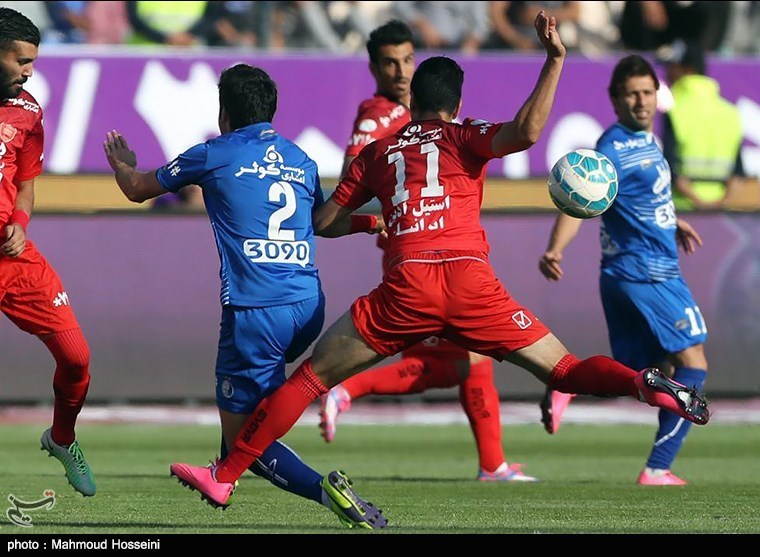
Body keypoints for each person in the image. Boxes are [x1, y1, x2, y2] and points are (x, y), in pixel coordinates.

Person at [170, 12, 710, 509]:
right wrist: (554, 59)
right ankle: (643, 384)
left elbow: (324, 222)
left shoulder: (379, 152)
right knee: (566, 370)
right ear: (455, 102)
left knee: (308, 381)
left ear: (414, 100)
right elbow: (526, 131)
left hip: (406, 286)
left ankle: (225, 475)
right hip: (471, 282)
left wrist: (370, 222)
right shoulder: (465, 136)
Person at [103, 63, 387, 529]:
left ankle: (321, 490)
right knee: (249, 410)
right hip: (307, 305)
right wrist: (370, 222)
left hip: (256, 310)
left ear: (224, 113)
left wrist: (122, 166)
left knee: (245, 439)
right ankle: (226, 465)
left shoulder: (215, 153)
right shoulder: (301, 159)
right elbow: (322, 224)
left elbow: (137, 190)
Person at [320, 18, 535, 482]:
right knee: (466, 360)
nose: (400, 71)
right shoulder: (376, 118)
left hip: (443, 251)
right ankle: (492, 464)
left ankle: (491, 462)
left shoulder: (422, 111)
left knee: (459, 363)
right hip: (416, 256)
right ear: (374, 68)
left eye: (406, 60)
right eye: (389, 63)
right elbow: (354, 181)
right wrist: (391, 214)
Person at [538, 54, 710, 486]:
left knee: (640, 372)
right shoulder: (613, 147)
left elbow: (642, 198)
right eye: (632, 94)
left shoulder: (646, 139)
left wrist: (673, 221)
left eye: (648, 92)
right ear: (615, 100)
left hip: (624, 272)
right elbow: (580, 198)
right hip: (648, 272)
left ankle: (568, 384)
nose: (641, 101)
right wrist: (556, 248)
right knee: (693, 362)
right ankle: (658, 467)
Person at [0, 7, 95, 497]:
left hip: (11, 258)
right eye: (21, 61)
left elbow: (25, 185)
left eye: (32, 61)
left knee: (76, 358)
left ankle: (62, 437)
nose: (29, 71)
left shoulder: (28, 110)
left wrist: (19, 223)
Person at [661, 41, 745, 211]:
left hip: (682, 210)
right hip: (720, 213)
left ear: (688, 69)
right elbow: (738, 173)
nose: (667, 73)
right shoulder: (730, 112)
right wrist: (721, 203)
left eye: (672, 66)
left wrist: (699, 203)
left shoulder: (675, 111)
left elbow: (669, 170)